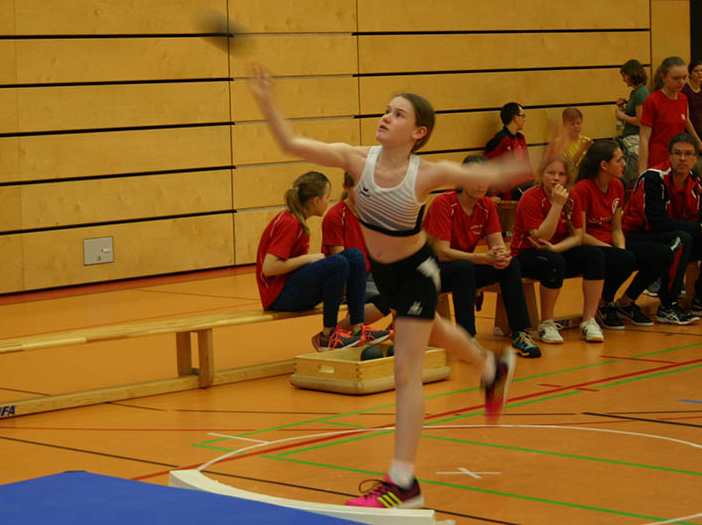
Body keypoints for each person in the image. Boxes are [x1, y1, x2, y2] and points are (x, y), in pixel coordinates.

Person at [248, 64, 521, 509]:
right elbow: (292, 144)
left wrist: (525, 163)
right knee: (432, 329)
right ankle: (492, 367)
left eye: (398, 114)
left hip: (417, 272)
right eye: (386, 111)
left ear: (418, 132)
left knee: (405, 371)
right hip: (387, 274)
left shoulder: (425, 174)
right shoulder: (358, 159)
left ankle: (403, 483)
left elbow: (487, 175)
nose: (386, 117)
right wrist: (266, 102)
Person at [255, 171, 390, 351]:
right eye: (327, 197)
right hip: (278, 296)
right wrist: (309, 258)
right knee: (338, 263)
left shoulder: (299, 223)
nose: (329, 201)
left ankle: (358, 328)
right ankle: (328, 335)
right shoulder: (290, 222)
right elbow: (269, 268)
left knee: (354, 256)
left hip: (291, 288)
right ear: (316, 201)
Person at [425, 155, 540, 358]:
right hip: (432, 271)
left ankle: (520, 333)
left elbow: (496, 244)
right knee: (464, 268)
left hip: (463, 267)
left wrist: (501, 255)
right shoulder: (443, 203)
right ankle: (467, 338)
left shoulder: (486, 205)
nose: (480, 184)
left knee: (511, 265)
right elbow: (442, 253)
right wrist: (483, 259)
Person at [510, 155, 606, 343]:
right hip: (527, 253)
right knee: (553, 262)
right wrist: (557, 205)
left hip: (554, 250)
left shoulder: (573, 196)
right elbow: (541, 237)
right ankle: (547, 323)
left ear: (568, 178)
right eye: (550, 173)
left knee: (595, 255)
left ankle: (589, 321)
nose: (555, 178)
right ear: (541, 175)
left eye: (561, 174)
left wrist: (555, 248)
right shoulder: (530, 197)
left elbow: (578, 236)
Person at [572, 141, 659, 328]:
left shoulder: (618, 185)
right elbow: (580, 234)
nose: (624, 164)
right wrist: (615, 251)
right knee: (624, 259)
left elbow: (617, 229)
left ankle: (626, 302)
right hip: (589, 245)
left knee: (662, 254)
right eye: (619, 160)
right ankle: (603, 305)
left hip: (610, 241)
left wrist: (620, 248)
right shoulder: (582, 189)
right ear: (604, 165)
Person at [623, 132, 702, 323]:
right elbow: (657, 222)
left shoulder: (694, 180)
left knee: (684, 237)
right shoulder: (653, 178)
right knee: (681, 239)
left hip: (668, 235)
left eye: (688, 154)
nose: (682, 158)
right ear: (669, 156)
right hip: (635, 236)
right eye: (677, 153)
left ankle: (700, 297)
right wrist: (697, 227)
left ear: (696, 158)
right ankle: (668, 305)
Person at [321, 172, 392, 336]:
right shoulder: (335, 216)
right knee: (388, 299)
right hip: (346, 279)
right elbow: (340, 262)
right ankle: (333, 334)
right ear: (346, 187)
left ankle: (395, 335)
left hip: (370, 275)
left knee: (407, 287)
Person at [638, 56, 702, 175]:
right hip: (658, 161)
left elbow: (686, 120)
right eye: (676, 78)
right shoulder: (652, 101)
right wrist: (642, 171)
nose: (681, 82)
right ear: (663, 77)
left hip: (678, 161)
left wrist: (698, 142)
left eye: (684, 78)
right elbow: (644, 138)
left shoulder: (683, 98)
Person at [484, 102, 535, 200]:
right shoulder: (499, 140)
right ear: (515, 118)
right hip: (510, 188)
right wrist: (492, 194)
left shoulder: (520, 139)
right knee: (534, 197)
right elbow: (489, 167)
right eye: (522, 116)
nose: (524, 119)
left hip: (527, 182)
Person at [615, 59, 650, 185]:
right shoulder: (636, 92)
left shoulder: (640, 93)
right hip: (631, 137)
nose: (623, 79)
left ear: (631, 74)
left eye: (624, 75)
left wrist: (622, 116)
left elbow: (641, 121)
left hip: (635, 139)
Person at [682, 59, 702, 176]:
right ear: (690, 73)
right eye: (696, 71)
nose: (700, 73)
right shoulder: (686, 90)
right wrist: (697, 141)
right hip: (690, 133)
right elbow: (686, 118)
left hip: (701, 131)